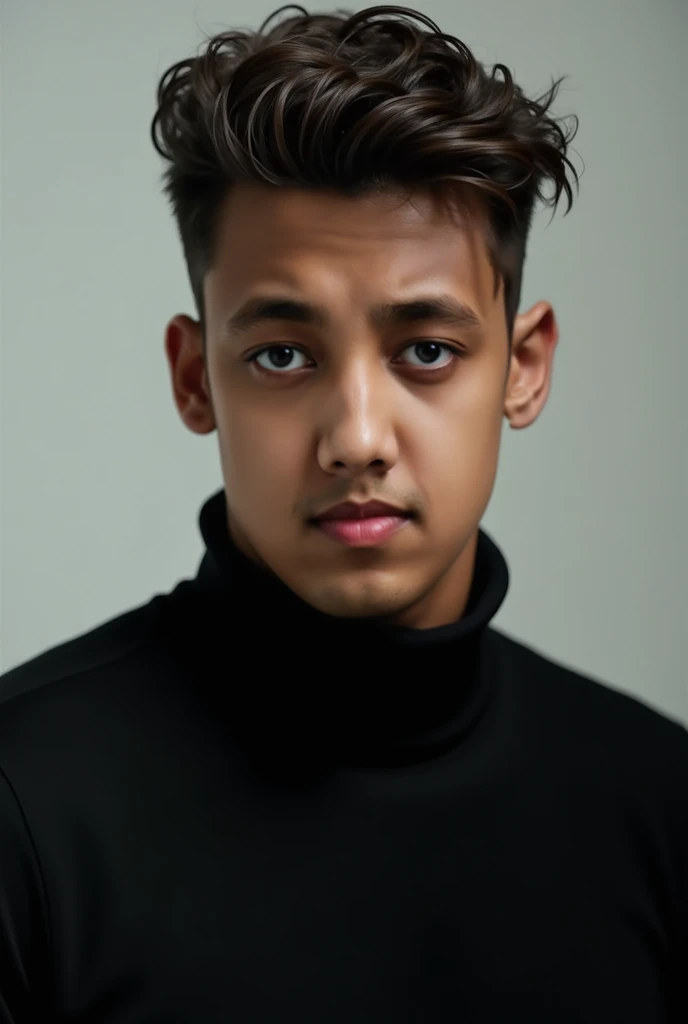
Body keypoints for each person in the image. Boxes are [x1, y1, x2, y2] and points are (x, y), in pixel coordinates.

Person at [0, 3, 685, 1020]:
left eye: (425, 351)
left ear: (524, 366)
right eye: (283, 354)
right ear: (195, 379)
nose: (357, 437)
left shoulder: (662, 805)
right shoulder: (23, 805)